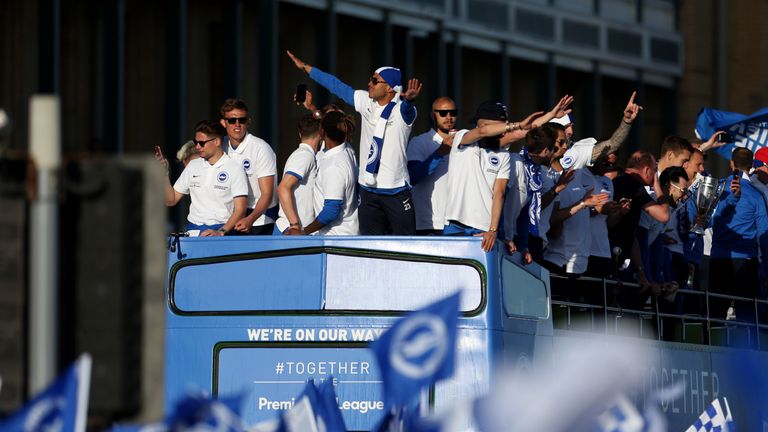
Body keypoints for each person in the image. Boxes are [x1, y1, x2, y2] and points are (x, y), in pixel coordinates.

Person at [286, 50, 421, 235]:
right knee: (369, 248)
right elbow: (337, 86)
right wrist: (306, 68)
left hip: (395, 190)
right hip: (368, 191)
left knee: (406, 247)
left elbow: (408, 110)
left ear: (390, 88)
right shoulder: (366, 101)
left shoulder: (401, 111)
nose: (369, 84)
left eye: (374, 81)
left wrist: (410, 100)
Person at [443, 101, 533, 252]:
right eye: (499, 127)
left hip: (485, 230)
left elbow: (499, 193)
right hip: (455, 224)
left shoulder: (503, 155)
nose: (503, 132)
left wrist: (493, 230)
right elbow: (482, 132)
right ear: (484, 125)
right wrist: (516, 125)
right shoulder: (461, 138)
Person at [156, 120, 248, 237]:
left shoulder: (234, 168)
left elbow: (240, 210)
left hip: (221, 231)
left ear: (217, 141)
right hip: (193, 231)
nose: (197, 146)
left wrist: (221, 232)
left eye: (202, 143)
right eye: (196, 142)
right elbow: (170, 200)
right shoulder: (193, 165)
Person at [709, 147, 768, 323]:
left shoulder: (717, 189)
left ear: (731, 163)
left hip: (719, 259)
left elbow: (707, 221)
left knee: (716, 315)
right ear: (751, 166)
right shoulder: (757, 196)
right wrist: (765, 270)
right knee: (747, 317)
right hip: (746, 263)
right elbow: (764, 234)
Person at [608, 150, 672, 307]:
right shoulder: (633, 184)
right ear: (647, 170)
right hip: (615, 256)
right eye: (654, 172)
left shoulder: (619, 180)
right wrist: (657, 187)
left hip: (620, 252)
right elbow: (663, 215)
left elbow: (632, 234)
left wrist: (641, 271)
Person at [293, 110, 359, 236]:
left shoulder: (333, 166)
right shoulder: (348, 151)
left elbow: (331, 211)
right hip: (346, 233)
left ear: (322, 132)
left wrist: (303, 231)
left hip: (337, 238)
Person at [219, 99, 279, 235]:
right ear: (223, 123)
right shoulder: (220, 146)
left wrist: (250, 219)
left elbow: (267, 194)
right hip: (231, 218)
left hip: (259, 219)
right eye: (232, 120)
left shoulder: (261, 148)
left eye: (242, 120)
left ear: (248, 121)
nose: (237, 124)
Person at [553, 91, 642, 170]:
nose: (571, 132)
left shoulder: (578, 150)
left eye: (571, 126)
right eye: (566, 127)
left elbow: (612, 144)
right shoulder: (541, 152)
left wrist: (626, 121)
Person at [406, 96, 456, 235]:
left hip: (456, 222)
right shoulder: (420, 142)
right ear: (433, 115)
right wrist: (439, 153)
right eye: (443, 113)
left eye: (453, 113)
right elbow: (413, 177)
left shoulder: (463, 143)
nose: (449, 117)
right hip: (429, 222)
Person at [275, 114, 322, 235]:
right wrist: (294, 225)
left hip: (298, 231)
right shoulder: (304, 155)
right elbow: (283, 188)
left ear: (300, 134)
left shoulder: (306, 154)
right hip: (291, 231)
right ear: (321, 134)